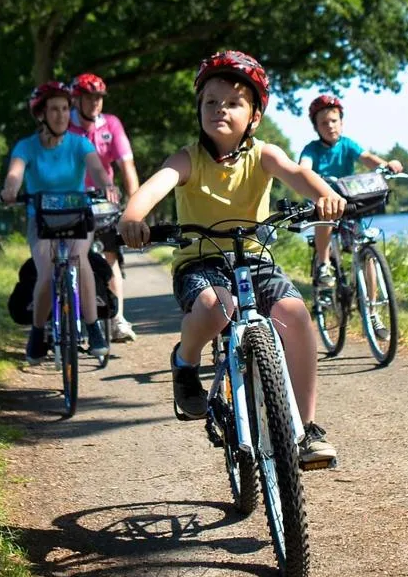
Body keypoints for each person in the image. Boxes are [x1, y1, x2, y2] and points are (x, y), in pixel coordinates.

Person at [118, 51, 346, 465]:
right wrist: (133, 217)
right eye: (210, 101)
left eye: (233, 102)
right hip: (200, 263)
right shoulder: (188, 158)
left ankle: (305, 430)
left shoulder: (264, 155)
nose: (219, 109)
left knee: (295, 313)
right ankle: (185, 361)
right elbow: (153, 188)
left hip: (255, 259)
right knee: (215, 308)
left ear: (254, 116)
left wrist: (326, 196)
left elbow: (299, 175)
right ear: (199, 109)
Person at [0, 81, 115, 364]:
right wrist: (10, 190)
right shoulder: (26, 147)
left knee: (79, 258)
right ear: (41, 114)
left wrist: (107, 186)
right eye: (54, 109)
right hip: (40, 219)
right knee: (46, 270)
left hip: (77, 215)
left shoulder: (79, 144)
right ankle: (37, 332)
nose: (61, 115)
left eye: (65, 108)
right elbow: (15, 173)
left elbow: (97, 169)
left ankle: (93, 328)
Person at [300, 94, 404, 340]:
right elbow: (304, 166)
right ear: (316, 127)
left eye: (334, 121)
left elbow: (368, 158)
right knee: (325, 216)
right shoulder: (311, 149)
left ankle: (373, 312)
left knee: (366, 253)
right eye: (324, 123)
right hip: (325, 203)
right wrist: (305, 173)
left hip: (348, 204)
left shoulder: (348, 145)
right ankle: (324, 265)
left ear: (342, 122)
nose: (330, 126)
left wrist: (387, 165)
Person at [69, 73, 140, 343]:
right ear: (76, 100)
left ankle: (118, 319)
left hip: (103, 201)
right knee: (66, 256)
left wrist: (135, 205)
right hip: (70, 201)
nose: (95, 102)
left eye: (99, 97)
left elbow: (127, 166)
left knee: (110, 257)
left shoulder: (111, 124)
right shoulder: (65, 126)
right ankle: (62, 317)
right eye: (89, 97)